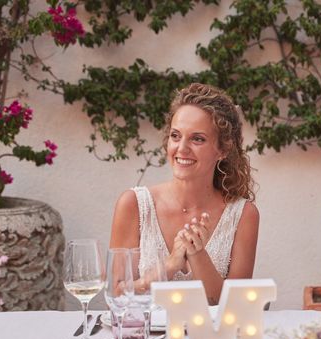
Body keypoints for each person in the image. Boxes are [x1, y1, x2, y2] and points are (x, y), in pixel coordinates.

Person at [110, 83, 259, 305]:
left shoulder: (243, 214)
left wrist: (197, 254)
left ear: (223, 149)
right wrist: (169, 266)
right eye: (175, 136)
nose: (181, 148)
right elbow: (115, 296)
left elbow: (236, 306)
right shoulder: (133, 204)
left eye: (197, 139)